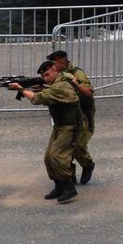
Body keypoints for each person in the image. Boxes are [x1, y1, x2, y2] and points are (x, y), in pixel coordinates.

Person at [10, 59, 86, 203]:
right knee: (48, 158)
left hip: (71, 127)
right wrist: (38, 88)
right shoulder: (56, 84)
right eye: (43, 76)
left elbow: (38, 99)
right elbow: (47, 93)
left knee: (57, 156)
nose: (45, 78)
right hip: (60, 126)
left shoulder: (62, 86)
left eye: (47, 74)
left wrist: (21, 89)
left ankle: (69, 187)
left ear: (55, 70)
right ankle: (59, 186)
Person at [47, 49, 95, 184]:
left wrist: (75, 83)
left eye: (55, 64)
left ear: (62, 62)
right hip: (66, 115)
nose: (53, 67)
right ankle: (69, 173)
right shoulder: (56, 73)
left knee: (78, 145)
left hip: (82, 113)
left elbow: (88, 92)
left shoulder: (76, 73)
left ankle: (87, 165)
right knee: (65, 146)